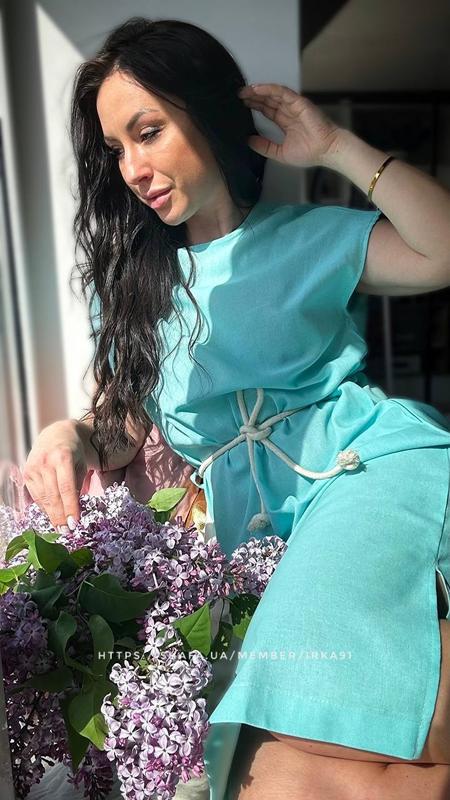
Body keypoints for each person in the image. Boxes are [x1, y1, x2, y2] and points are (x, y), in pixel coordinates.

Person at [22, 15, 450, 800]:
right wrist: (71, 433)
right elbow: (125, 423)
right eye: (116, 149)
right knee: (272, 773)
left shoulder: (309, 239)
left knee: (313, 718)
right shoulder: (132, 289)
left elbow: (443, 250)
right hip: (259, 541)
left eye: (148, 132)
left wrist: (337, 148)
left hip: (364, 475)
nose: (132, 167)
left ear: (208, 114)